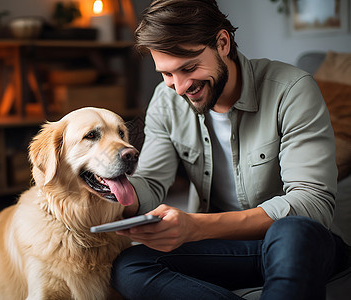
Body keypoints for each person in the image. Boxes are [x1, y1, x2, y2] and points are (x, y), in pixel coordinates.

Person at [110, 0, 349, 299]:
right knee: (127, 266)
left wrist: (196, 226)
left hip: (297, 244)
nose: (180, 87)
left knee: (292, 231)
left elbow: (312, 205)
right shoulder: (166, 100)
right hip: (226, 249)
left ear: (222, 43)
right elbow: (152, 182)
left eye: (189, 68)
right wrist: (120, 195)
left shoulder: (291, 89)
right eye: (167, 73)